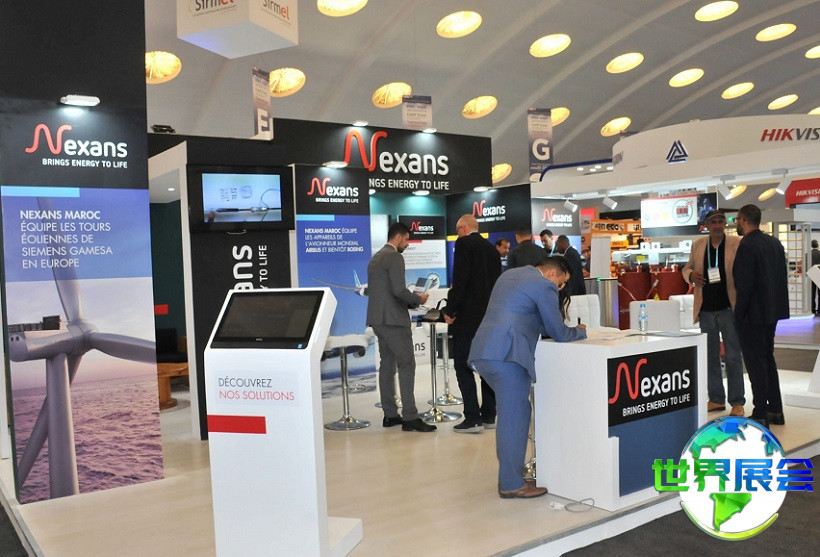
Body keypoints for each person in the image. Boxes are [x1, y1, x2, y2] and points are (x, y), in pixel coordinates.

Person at [468, 256, 587, 498]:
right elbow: (559, 332)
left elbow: (525, 316)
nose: (560, 288)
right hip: (508, 356)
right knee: (515, 417)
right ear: (552, 275)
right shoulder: (544, 285)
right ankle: (511, 484)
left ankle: (512, 476)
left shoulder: (510, 275)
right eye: (561, 283)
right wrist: (579, 331)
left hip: (484, 352)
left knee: (512, 414)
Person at [367, 222, 436, 432]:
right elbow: (398, 290)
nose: (407, 244)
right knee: (406, 364)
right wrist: (417, 299)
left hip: (378, 320)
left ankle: (390, 414)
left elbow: (385, 290)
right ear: (399, 237)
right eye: (406, 240)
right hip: (394, 320)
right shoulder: (395, 257)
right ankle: (410, 417)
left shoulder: (376, 257)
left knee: (387, 366)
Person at [681, 209, 745, 417]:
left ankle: (737, 402)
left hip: (728, 308)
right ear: (707, 225)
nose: (717, 225)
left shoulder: (736, 243)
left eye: (720, 221)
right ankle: (716, 398)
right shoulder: (699, 244)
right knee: (710, 356)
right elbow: (686, 268)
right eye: (713, 222)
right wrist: (691, 275)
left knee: (733, 356)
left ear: (725, 224)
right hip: (706, 309)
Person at [443, 215, 502, 433]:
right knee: (486, 366)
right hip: (490, 318)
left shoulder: (464, 244)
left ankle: (472, 418)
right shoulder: (492, 250)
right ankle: (489, 414)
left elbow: (461, 282)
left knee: (463, 366)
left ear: (463, 229)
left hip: (467, 319)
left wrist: (450, 310)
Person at [732, 204, 789, 428]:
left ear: (743, 220)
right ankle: (775, 410)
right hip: (771, 312)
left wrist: (739, 314)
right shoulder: (774, 243)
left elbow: (744, 285)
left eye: (737, 220)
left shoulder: (747, 245)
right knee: (767, 359)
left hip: (752, 315)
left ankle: (760, 412)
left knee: (756, 364)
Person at [811, 240, 820, 314]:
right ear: (818, 245)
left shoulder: (808, 254)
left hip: (811, 273)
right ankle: (819, 310)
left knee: (812, 293)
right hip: (819, 273)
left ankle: (812, 310)